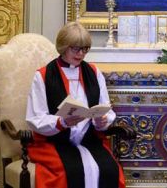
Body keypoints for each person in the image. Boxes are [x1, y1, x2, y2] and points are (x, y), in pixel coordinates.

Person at [26, 22, 125, 188]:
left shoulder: (94, 72)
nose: (81, 54)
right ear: (63, 47)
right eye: (76, 49)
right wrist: (62, 122)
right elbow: (35, 117)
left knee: (108, 169)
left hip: (89, 140)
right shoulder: (42, 75)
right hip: (53, 143)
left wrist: (102, 121)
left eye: (85, 49)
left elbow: (105, 107)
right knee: (70, 171)